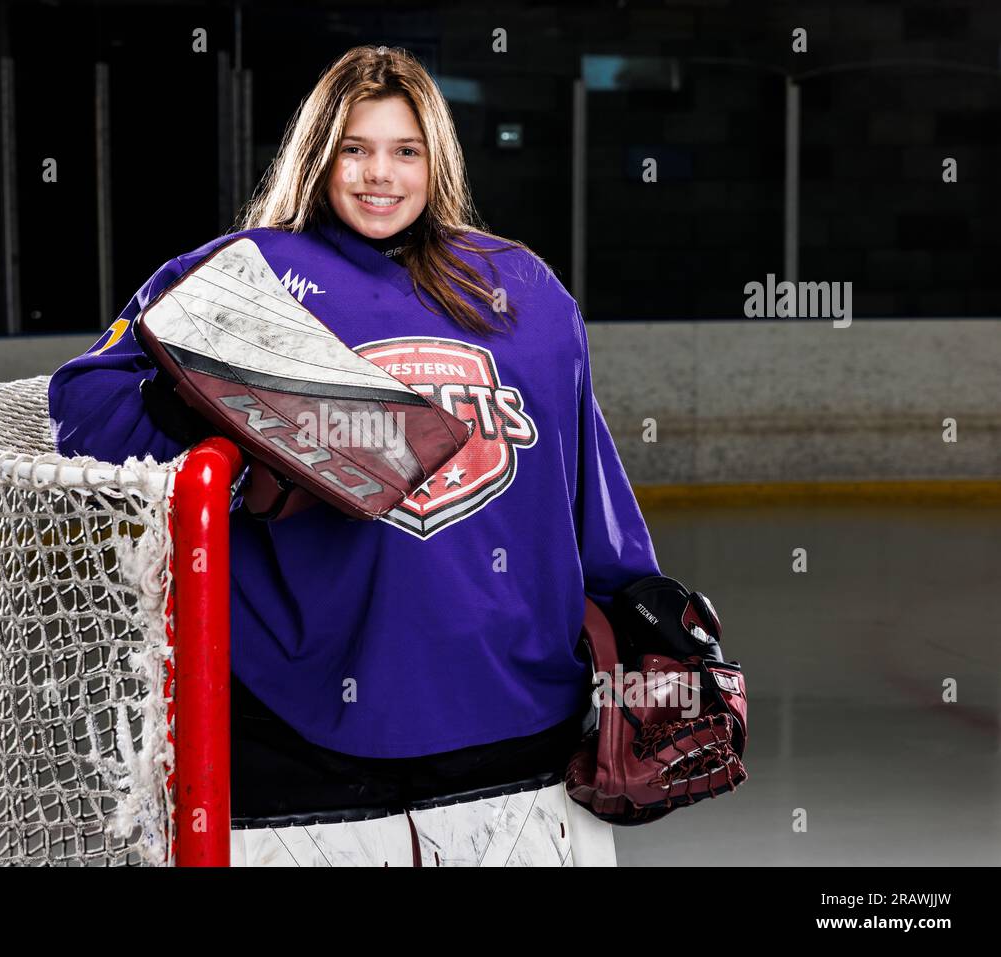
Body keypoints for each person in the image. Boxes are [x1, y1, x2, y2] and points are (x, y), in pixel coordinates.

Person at [48, 45, 662, 866]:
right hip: (302, 730)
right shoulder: (246, 275)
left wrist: (641, 607)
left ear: (435, 159)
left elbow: (588, 486)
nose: (382, 175)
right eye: (355, 148)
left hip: (515, 725)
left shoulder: (523, 292)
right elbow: (84, 403)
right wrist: (201, 405)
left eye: (405, 150)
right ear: (318, 154)